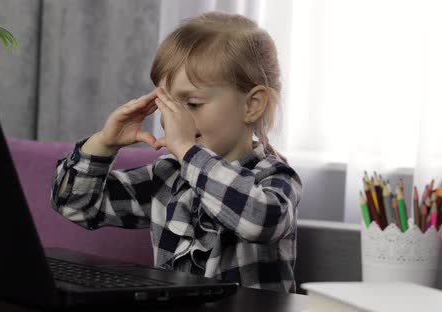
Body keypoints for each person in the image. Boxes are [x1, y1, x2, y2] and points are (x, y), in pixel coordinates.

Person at [51, 11, 302, 293]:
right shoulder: (169, 175)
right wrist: (104, 143)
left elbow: (258, 221)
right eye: (168, 105)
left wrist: (187, 150)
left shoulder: (276, 178)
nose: (174, 121)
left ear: (252, 105)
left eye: (193, 104)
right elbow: (75, 204)